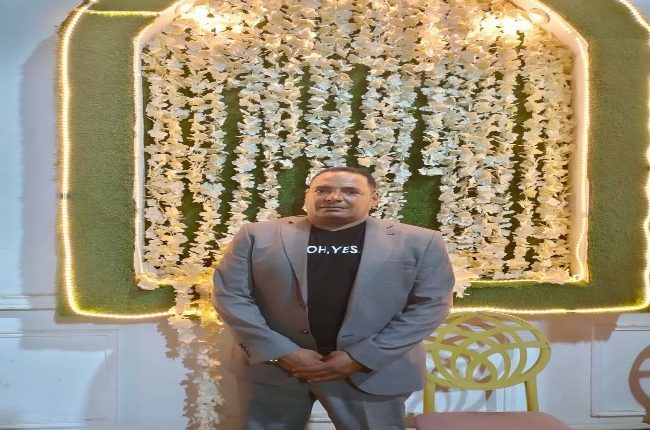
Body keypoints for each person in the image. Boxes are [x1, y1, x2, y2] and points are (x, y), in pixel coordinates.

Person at [213, 166, 455, 430]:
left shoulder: (420, 241)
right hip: (276, 369)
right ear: (308, 195)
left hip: (370, 372)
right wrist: (282, 352)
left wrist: (361, 358)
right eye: (322, 190)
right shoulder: (256, 235)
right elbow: (231, 295)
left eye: (350, 191)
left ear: (374, 198)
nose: (333, 197)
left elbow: (431, 305)